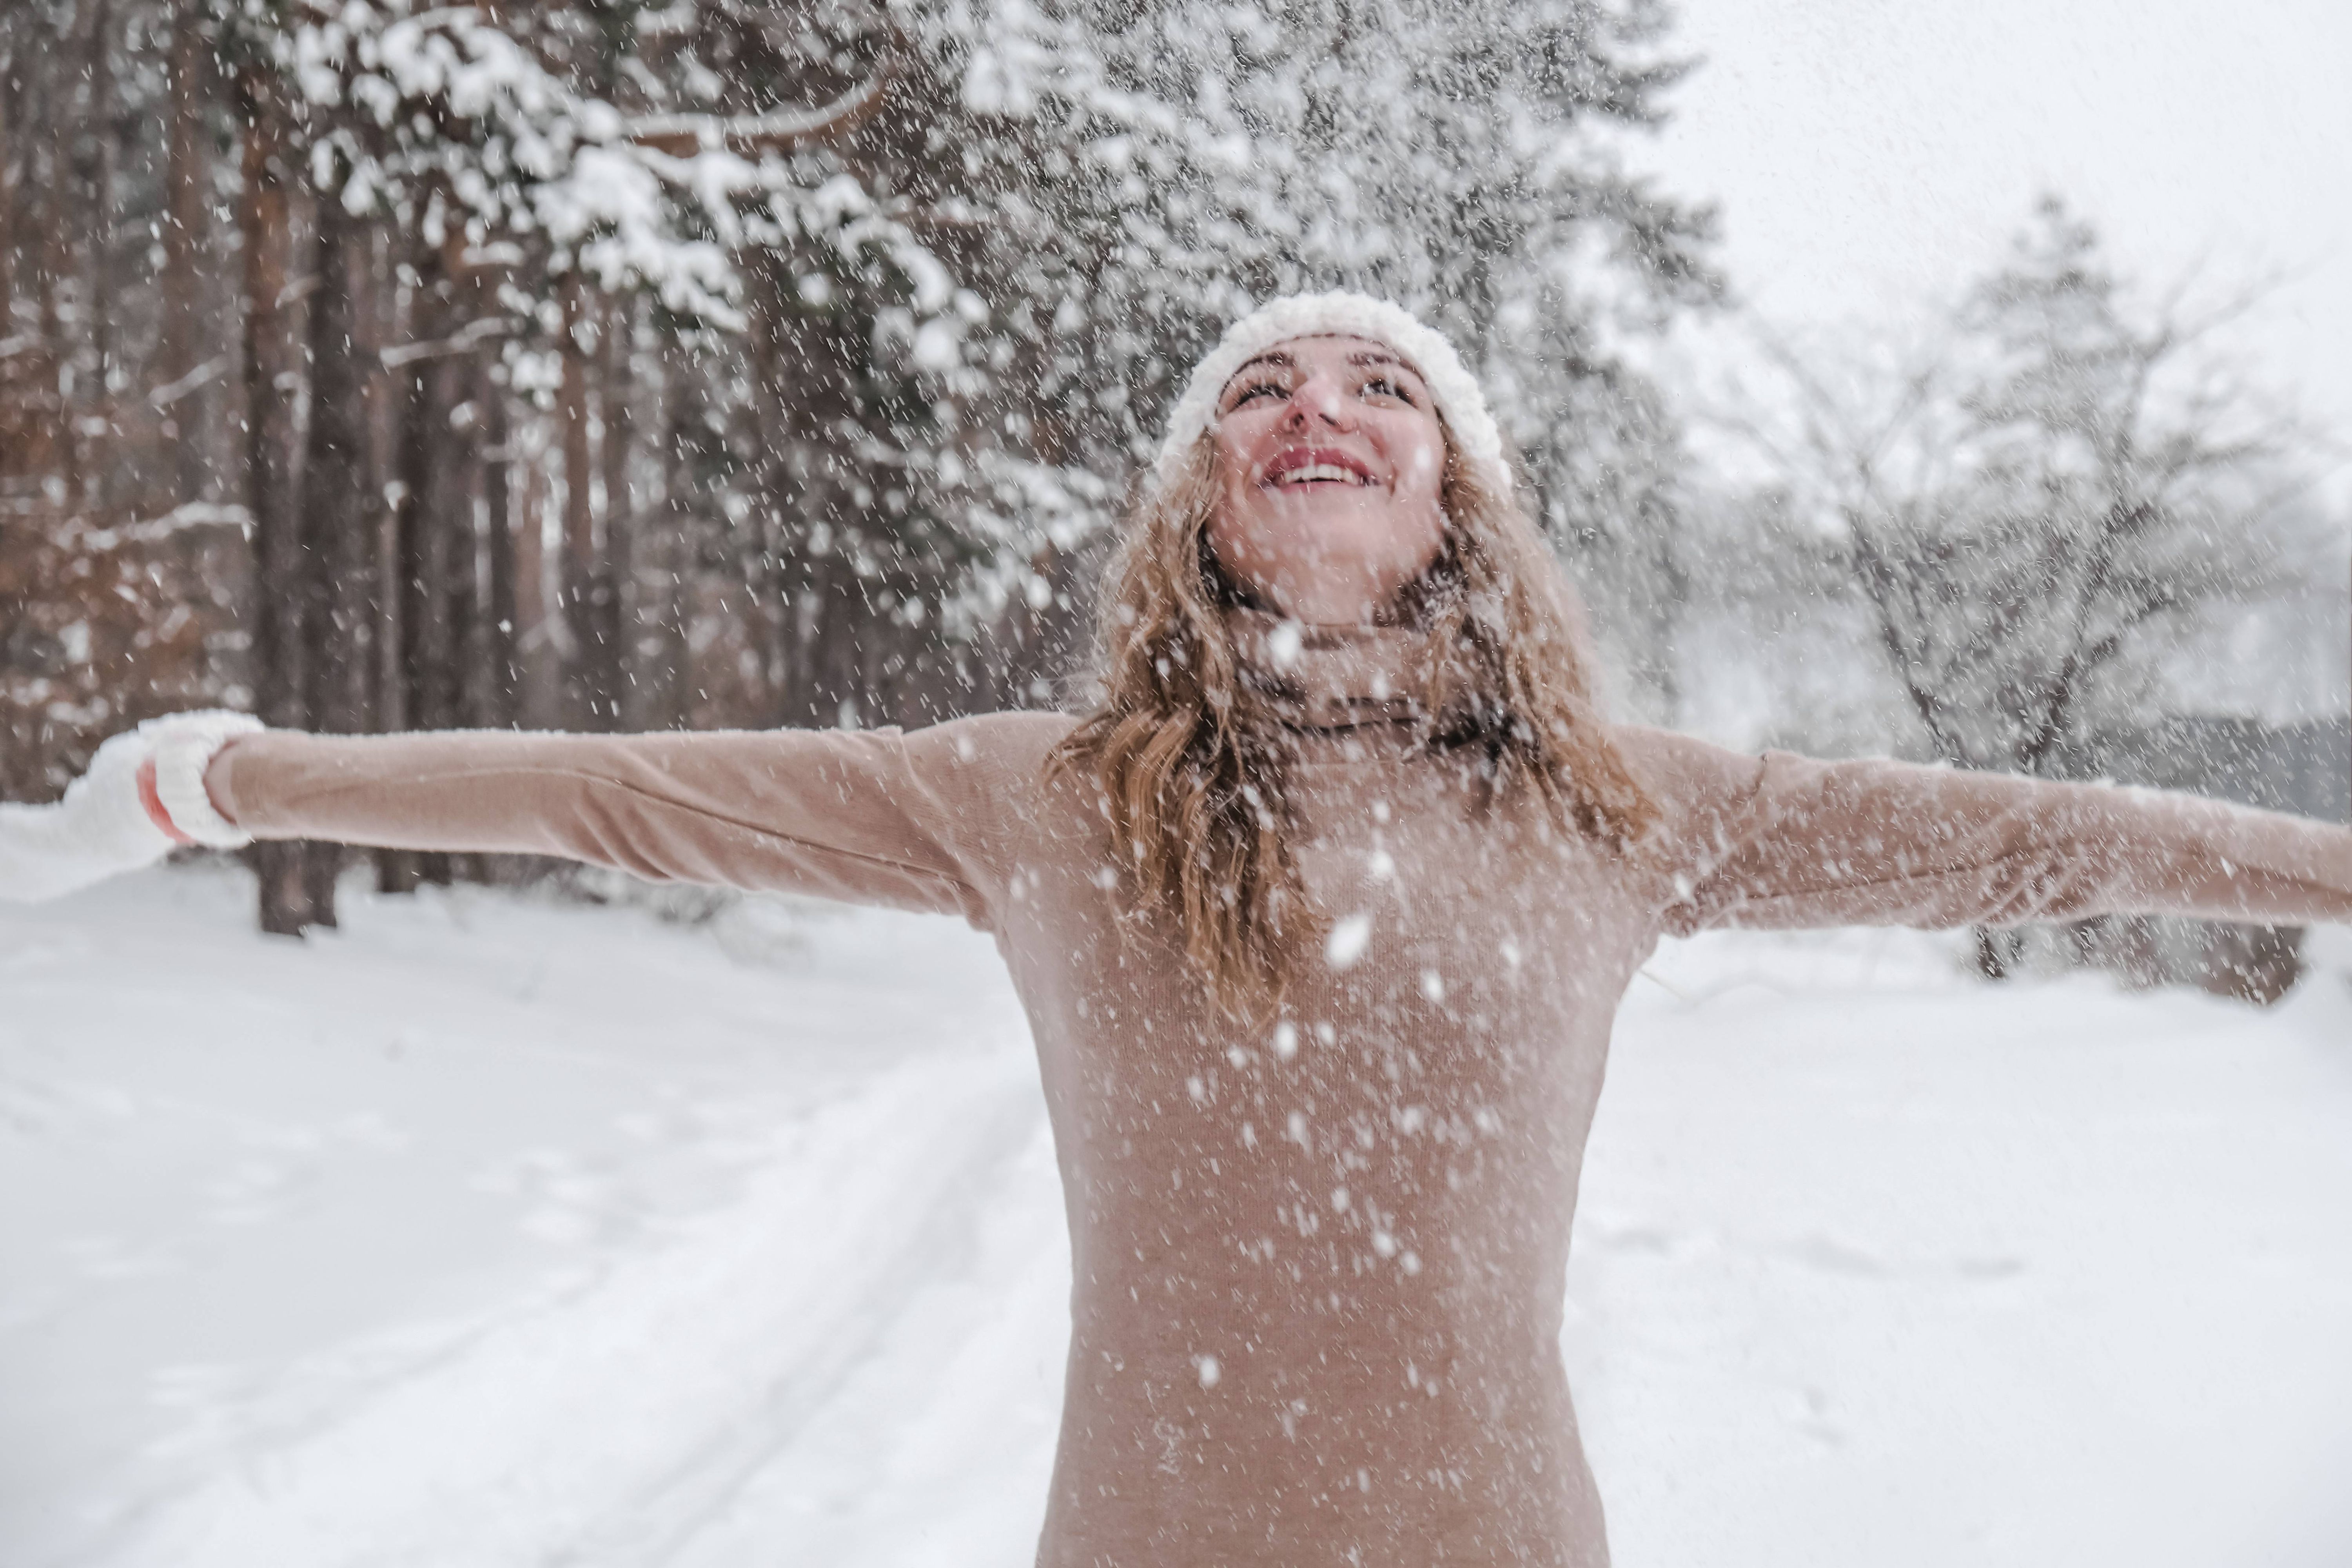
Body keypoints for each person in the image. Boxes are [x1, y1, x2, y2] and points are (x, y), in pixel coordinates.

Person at [7, 291, 2350, 1567]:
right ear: (1207, 508)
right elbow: (627, 785)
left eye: (1378, 388)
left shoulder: (1627, 811)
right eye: (1261, 388)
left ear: (1459, 504)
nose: (1315, 404)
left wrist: (2328, 865)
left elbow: (2030, 836)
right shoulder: (1032, 795)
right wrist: (239, 776)